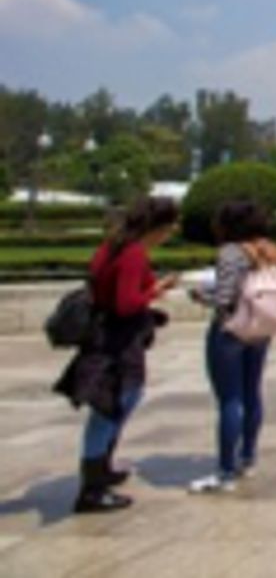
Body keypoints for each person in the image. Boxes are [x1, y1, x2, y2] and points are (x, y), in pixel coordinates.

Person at [55, 196, 181, 514]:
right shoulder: (134, 254)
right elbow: (126, 303)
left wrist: (151, 287)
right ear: (159, 227)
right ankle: (92, 489)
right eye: (170, 227)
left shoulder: (112, 246)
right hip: (118, 340)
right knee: (112, 406)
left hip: (103, 335)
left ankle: (101, 470)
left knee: (117, 402)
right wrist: (152, 293)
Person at [188, 201, 276, 494]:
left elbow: (225, 298)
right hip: (260, 329)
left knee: (230, 400)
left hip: (231, 331)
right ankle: (248, 457)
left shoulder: (231, 253)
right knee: (252, 393)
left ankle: (225, 471)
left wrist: (199, 294)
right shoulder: (268, 250)